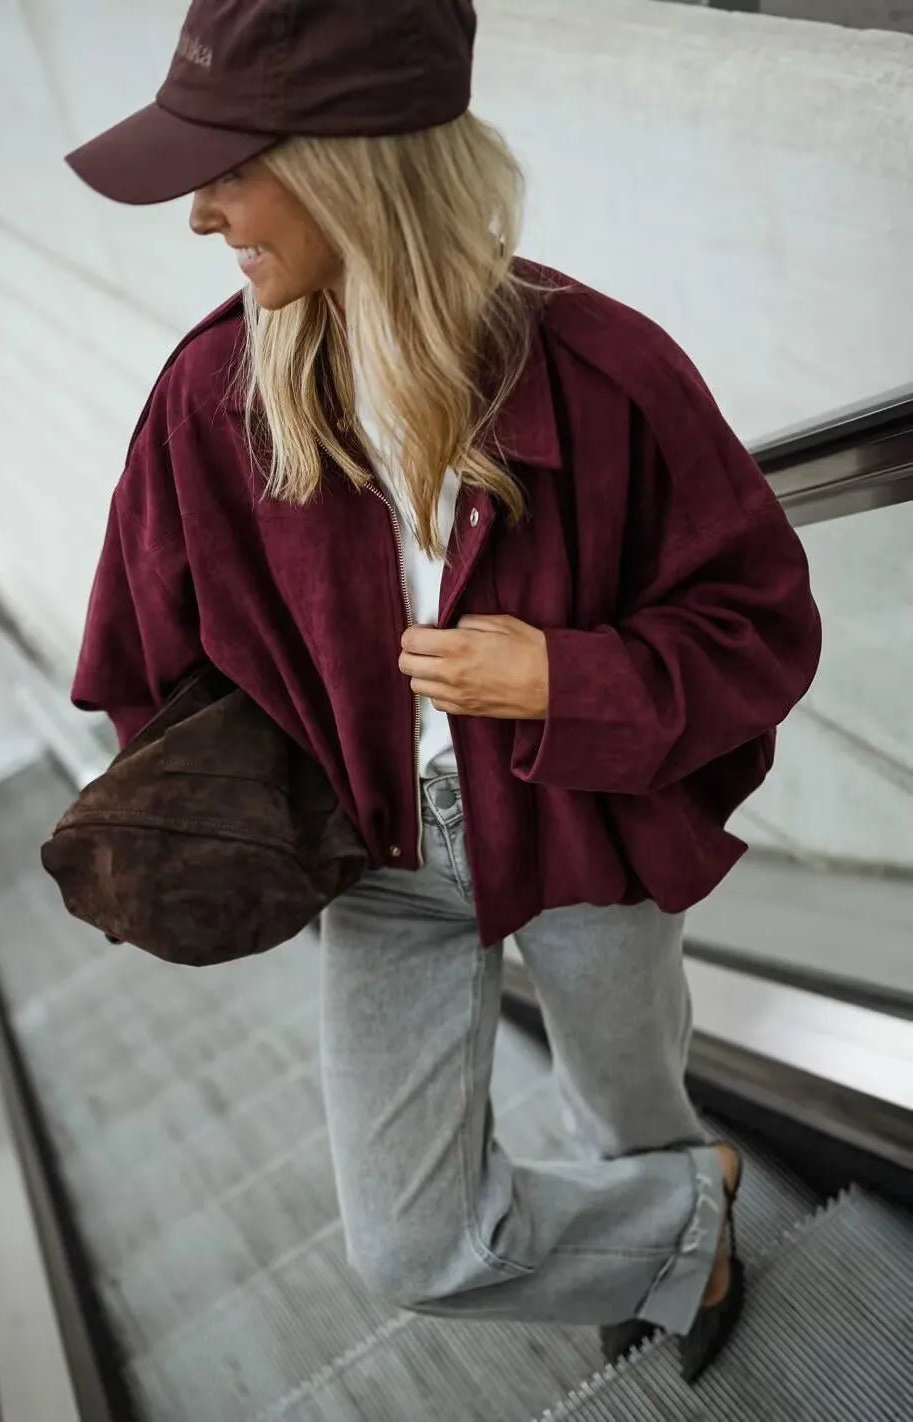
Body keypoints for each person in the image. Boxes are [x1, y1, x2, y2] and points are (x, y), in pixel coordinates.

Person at [64, 0, 821, 1385]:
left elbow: (761, 622)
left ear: (355, 159)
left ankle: (660, 1210)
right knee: (408, 1242)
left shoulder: (606, 372)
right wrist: (254, 820)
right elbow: (142, 663)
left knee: (630, 1103)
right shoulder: (208, 403)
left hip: (586, 828)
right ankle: (677, 1224)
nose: (198, 215)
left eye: (229, 165)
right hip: (377, 866)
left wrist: (568, 676)